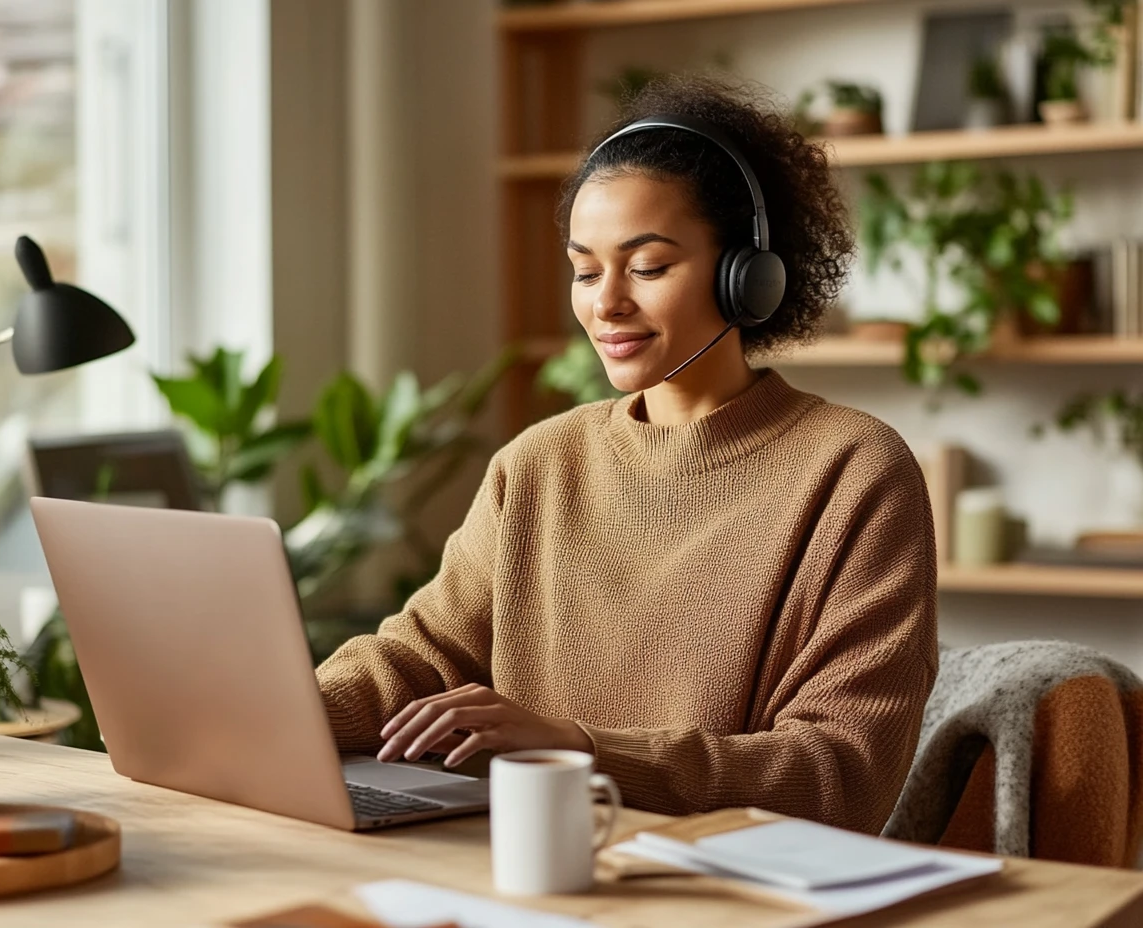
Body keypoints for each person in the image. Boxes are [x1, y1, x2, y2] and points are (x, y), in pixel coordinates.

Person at [315, 74, 938, 833]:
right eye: (584, 270)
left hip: (726, 894)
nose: (605, 302)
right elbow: (418, 657)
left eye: (646, 267)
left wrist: (580, 751)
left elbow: (842, 774)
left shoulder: (854, 471)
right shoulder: (539, 464)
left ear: (749, 278)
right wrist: (277, 706)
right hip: (524, 864)